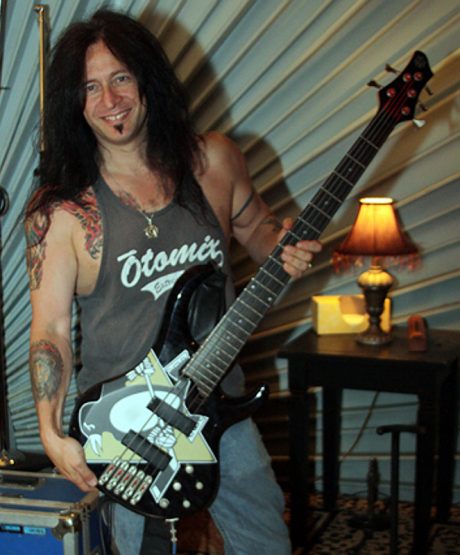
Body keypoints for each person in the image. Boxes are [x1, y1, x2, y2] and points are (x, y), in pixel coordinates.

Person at [25, 9, 321, 555]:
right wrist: (50, 432)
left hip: (219, 399)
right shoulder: (62, 212)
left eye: (121, 78)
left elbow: (258, 232)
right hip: (125, 426)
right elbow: (51, 330)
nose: (110, 100)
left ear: (147, 80)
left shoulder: (214, 161)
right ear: (74, 102)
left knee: (267, 543)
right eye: (90, 87)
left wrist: (284, 244)